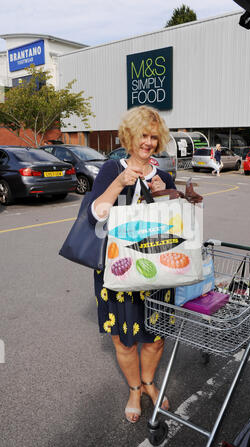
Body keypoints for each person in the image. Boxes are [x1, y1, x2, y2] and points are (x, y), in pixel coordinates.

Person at [88, 106, 176, 424]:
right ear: (130, 135)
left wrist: (165, 195)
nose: (149, 142)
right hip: (118, 269)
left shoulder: (163, 176)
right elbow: (96, 214)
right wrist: (119, 184)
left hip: (157, 271)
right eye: (143, 135)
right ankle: (134, 389)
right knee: (123, 338)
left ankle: (150, 383)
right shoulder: (112, 169)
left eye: (154, 136)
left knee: (155, 336)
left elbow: (175, 226)